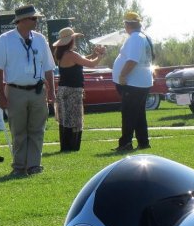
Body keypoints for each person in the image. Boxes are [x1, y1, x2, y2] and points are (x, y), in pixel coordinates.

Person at [0, 5, 56, 176]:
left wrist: (51, 91)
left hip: (37, 90)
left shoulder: (40, 39)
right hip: (15, 90)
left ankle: (34, 165)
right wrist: (1, 95)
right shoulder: (5, 40)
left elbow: (49, 67)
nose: (36, 21)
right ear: (21, 20)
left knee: (37, 129)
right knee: (18, 130)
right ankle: (19, 167)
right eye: (33, 18)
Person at [52, 28, 105, 151]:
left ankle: (65, 146)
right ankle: (72, 146)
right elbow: (91, 64)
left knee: (65, 119)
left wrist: (93, 55)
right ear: (70, 40)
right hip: (73, 90)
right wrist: (100, 55)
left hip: (62, 89)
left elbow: (81, 60)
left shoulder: (60, 54)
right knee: (75, 119)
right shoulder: (72, 54)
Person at [112, 11, 154, 152]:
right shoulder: (145, 37)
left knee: (129, 113)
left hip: (134, 82)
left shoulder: (135, 38)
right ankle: (143, 142)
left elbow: (132, 60)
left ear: (127, 25)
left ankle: (126, 143)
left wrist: (122, 75)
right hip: (142, 81)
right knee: (139, 114)